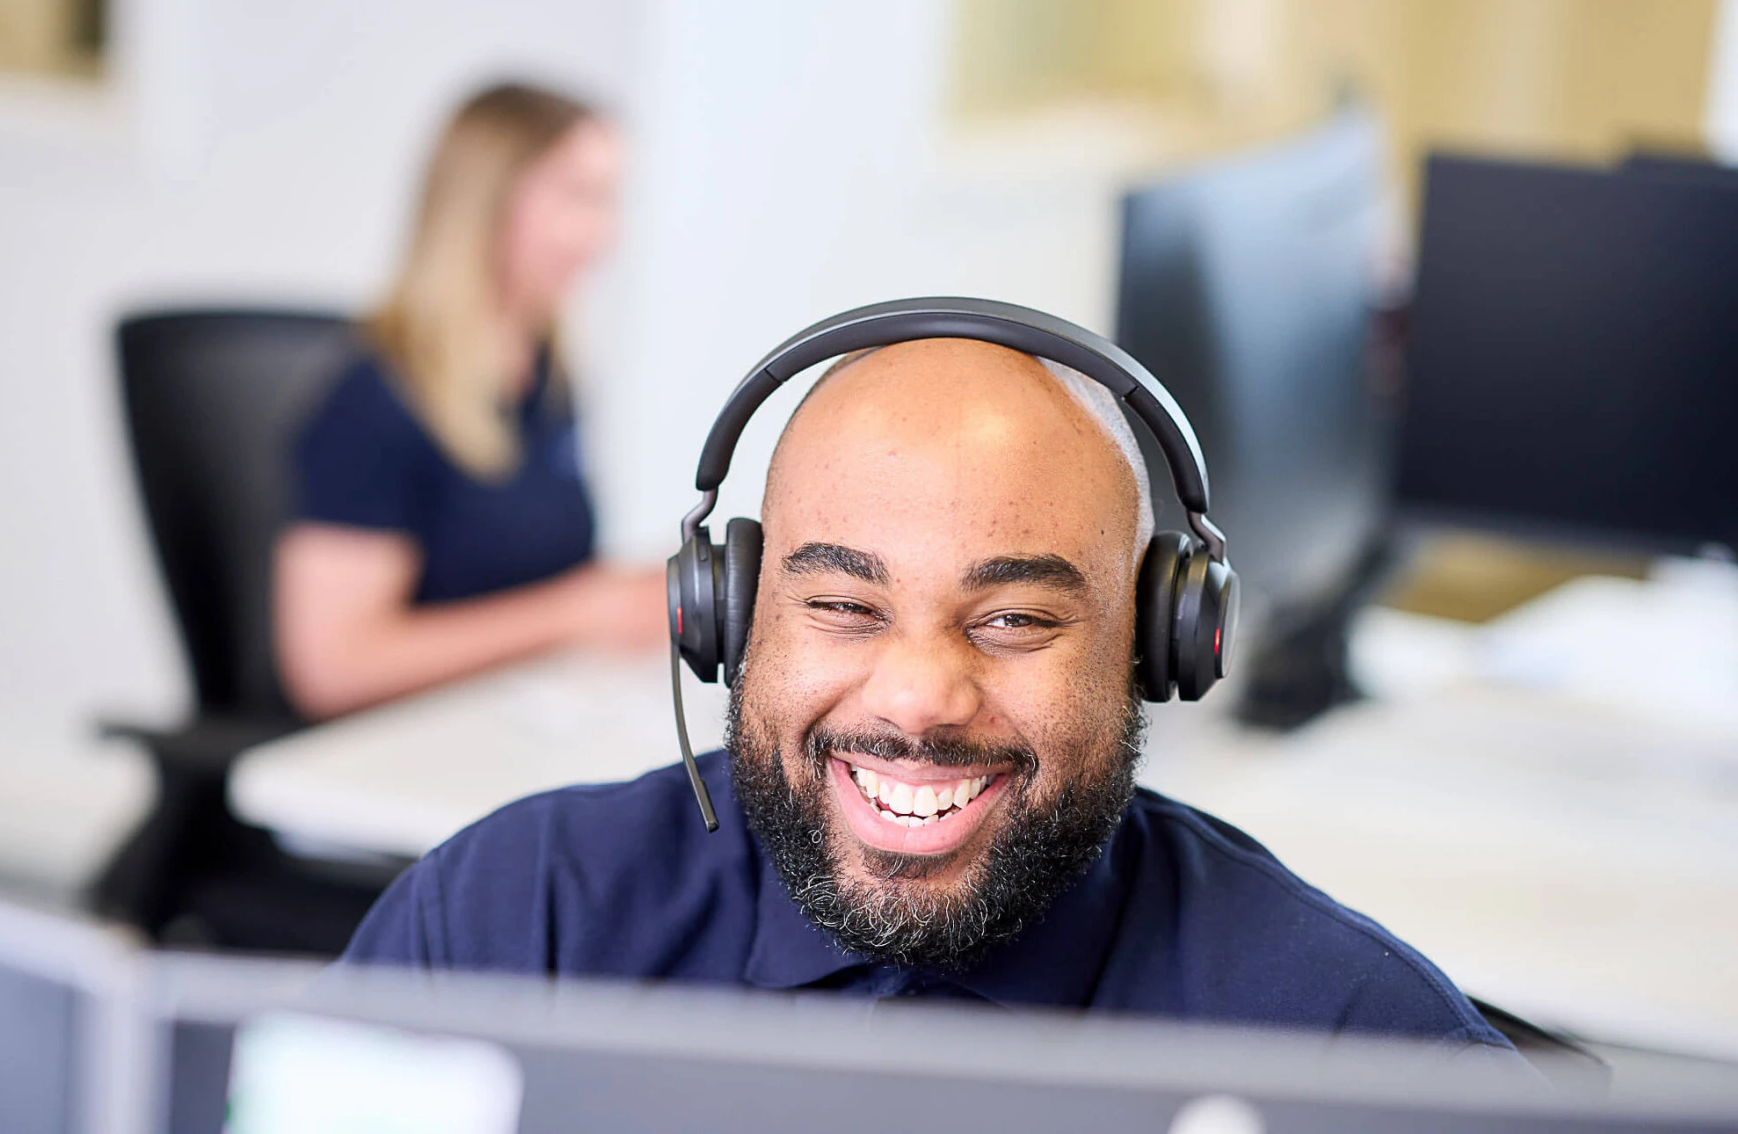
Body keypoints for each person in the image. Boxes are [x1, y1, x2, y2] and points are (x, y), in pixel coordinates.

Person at [341, 333, 1516, 1058]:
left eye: (1013, 620)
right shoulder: (514, 926)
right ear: (729, 619)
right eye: (844, 606)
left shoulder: (1349, 1045)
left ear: (1157, 648)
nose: (916, 700)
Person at [275, 83, 662, 719]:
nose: (604, 236)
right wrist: (571, 614)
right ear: (488, 202)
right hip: (378, 762)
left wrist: (618, 601)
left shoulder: (543, 378)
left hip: (497, 726)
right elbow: (332, 668)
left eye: (609, 200)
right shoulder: (371, 402)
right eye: (579, 197)